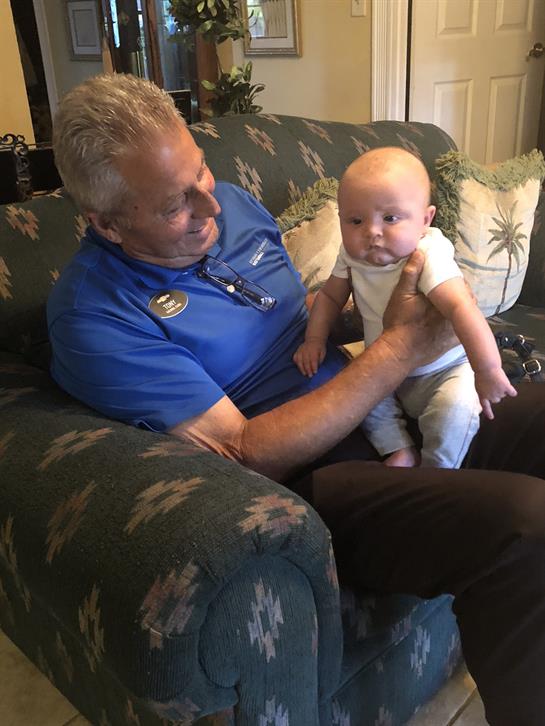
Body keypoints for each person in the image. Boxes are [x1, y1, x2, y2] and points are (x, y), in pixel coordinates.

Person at [48, 73, 545, 726]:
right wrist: (400, 346)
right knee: (525, 525)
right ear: (107, 224)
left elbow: (296, 316)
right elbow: (243, 451)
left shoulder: (231, 204)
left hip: (384, 404)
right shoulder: (96, 315)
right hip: (310, 478)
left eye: (201, 172)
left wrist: (404, 307)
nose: (211, 205)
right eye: (175, 205)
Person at [293, 147, 517, 468]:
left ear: (425, 220)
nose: (372, 232)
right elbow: (329, 297)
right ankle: (397, 448)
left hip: (443, 370)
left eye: (390, 218)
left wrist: (487, 369)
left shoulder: (428, 253)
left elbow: (461, 307)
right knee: (356, 400)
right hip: (384, 369)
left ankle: (437, 468)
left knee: (453, 411)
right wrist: (314, 339)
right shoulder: (351, 255)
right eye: (355, 220)